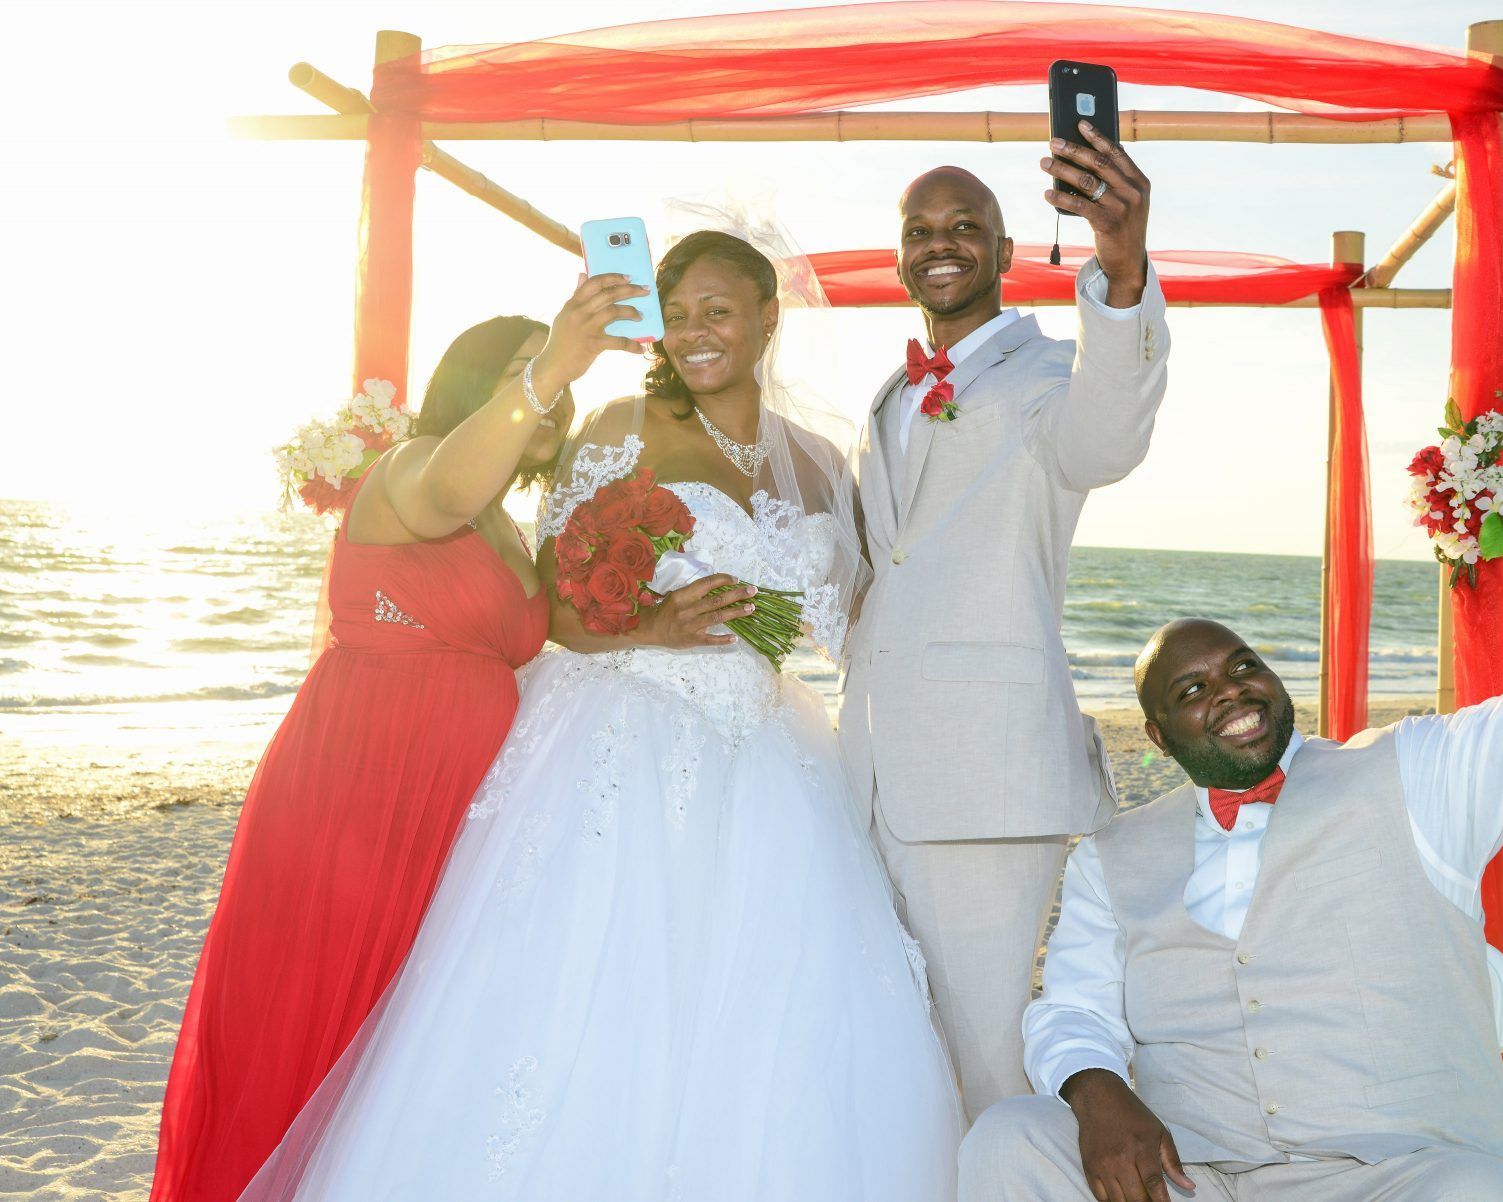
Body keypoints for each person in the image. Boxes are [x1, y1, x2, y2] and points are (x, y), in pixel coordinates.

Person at [237, 229, 963, 1202]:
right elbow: (557, 603)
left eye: (720, 310)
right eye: (683, 316)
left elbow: (860, 627)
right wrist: (655, 623)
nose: (700, 333)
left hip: (771, 759)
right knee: (580, 998)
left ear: (766, 318)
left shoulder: (823, 463)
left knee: (766, 1012)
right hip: (620, 730)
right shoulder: (620, 424)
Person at [959, 414, 1503, 1202]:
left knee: (1480, 1195)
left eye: (1243, 664)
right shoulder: (1111, 855)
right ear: (1158, 735)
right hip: (1196, 1175)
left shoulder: (1418, 772)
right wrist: (1098, 1089)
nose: (1232, 690)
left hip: (1388, 1177)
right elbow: (1073, 1008)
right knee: (1012, 1138)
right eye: (1193, 689)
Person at [150, 277, 640, 1202]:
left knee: (405, 1038)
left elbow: (565, 626)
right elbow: (451, 480)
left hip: (456, 810)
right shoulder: (411, 471)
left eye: (557, 383)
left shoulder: (505, 520)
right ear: (474, 390)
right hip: (358, 793)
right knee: (316, 1012)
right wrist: (557, 363)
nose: (551, 393)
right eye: (523, 372)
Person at [839, 121, 1170, 1119]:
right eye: (921, 227)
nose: (941, 242)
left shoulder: (1046, 378)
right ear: (900, 252)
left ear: (1005, 250)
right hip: (871, 774)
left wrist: (1121, 271)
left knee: (989, 1063)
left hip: (988, 784)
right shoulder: (890, 391)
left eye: (966, 225)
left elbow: (1106, 435)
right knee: (903, 1051)